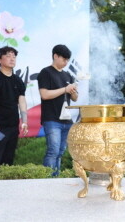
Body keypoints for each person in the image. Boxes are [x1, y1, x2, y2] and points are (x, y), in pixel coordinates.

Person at [0, 46, 28, 165]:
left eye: (14, 56)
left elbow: (22, 101)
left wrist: (24, 121)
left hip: (13, 126)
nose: (12, 59)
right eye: (8, 56)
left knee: (9, 160)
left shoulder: (18, 80)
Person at [37, 44, 78, 176]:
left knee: (60, 152)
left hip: (67, 120)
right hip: (51, 119)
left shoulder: (68, 75)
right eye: (64, 59)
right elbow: (45, 95)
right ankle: (47, 179)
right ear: (55, 56)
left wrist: (72, 90)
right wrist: (65, 89)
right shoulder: (46, 72)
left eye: (67, 60)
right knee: (53, 151)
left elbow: (75, 98)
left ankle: (56, 177)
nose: (66, 62)